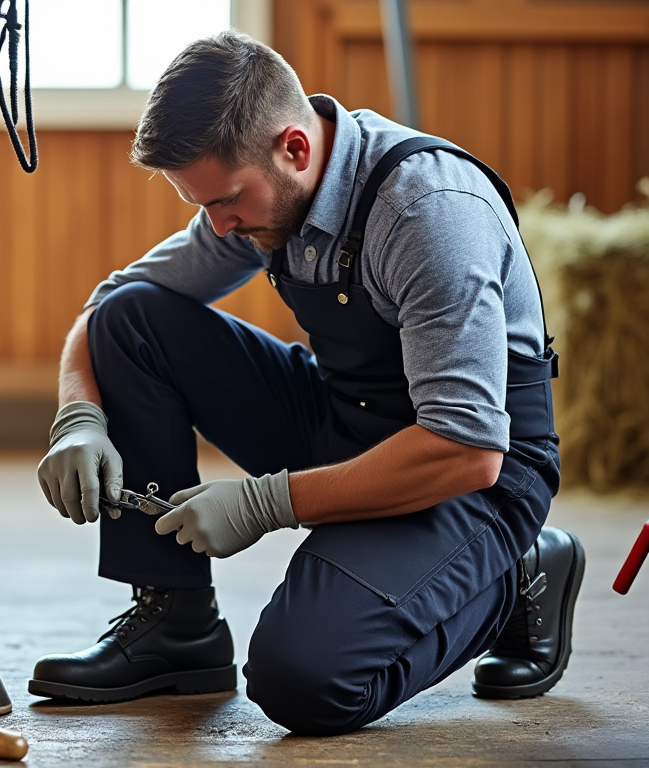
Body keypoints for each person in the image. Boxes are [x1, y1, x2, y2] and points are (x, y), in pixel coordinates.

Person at [30, 31, 585, 736]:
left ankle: (512, 574)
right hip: (348, 418)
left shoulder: (426, 212)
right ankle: (176, 628)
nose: (219, 226)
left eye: (228, 201)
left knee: (305, 681)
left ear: (294, 148)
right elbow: (107, 308)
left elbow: (466, 449)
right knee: (131, 322)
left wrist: (267, 502)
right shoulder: (258, 194)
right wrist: (78, 418)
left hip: (474, 476)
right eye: (202, 206)